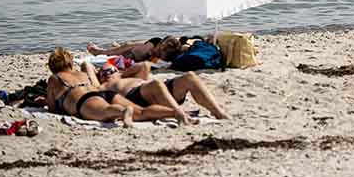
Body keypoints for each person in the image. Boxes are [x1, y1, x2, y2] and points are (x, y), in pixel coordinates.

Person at [45, 47, 176, 126]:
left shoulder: (55, 78)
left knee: (108, 110)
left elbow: (52, 108)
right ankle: (176, 113)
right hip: (103, 95)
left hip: (85, 102)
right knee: (141, 112)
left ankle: (122, 111)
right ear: (70, 63)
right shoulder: (81, 74)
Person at [91, 61, 229, 121]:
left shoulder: (131, 76)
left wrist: (121, 73)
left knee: (190, 77)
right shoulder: (103, 86)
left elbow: (145, 65)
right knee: (156, 83)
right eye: (103, 73)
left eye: (110, 70)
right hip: (138, 97)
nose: (107, 74)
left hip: (158, 91)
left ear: (117, 70)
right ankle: (180, 114)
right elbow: (87, 66)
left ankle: (218, 112)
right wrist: (98, 74)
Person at [86, 36, 179, 62]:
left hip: (134, 54)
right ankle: (101, 51)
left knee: (128, 47)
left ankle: (100, 51)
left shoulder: (164, 51)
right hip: (140, 50)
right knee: (129, 46)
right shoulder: (152, 45)